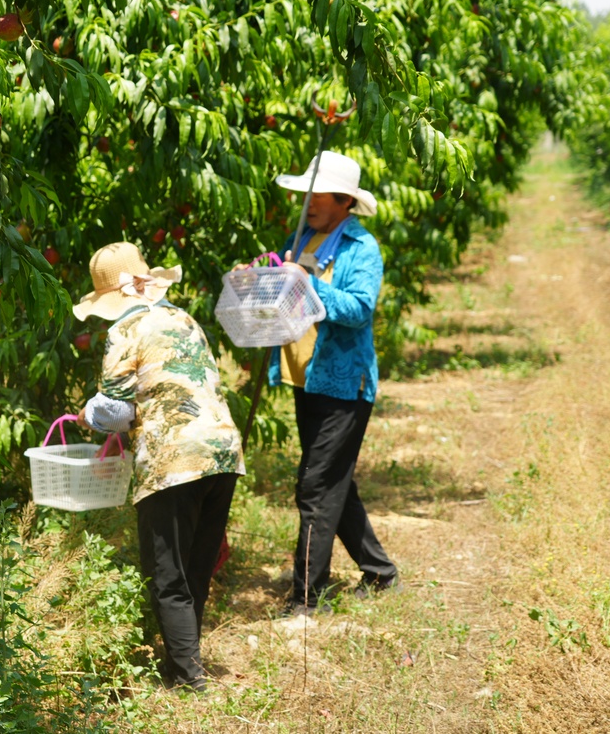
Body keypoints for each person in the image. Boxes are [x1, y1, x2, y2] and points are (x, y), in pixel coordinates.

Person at [73, 242, 244, 691]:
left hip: (172, 459)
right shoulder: (184, 319)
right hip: (223, 452)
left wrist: (86, 416)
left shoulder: (125, 330)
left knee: (167, 572)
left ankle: (188, 678)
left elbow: (116, 410)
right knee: (196, 566)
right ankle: (184, 661)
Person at [266, 150, 398, 615]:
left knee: (316, 486)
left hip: (344, 383)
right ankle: (379, 571)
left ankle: (307, 595)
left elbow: (360, 309)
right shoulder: (298, 238)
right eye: (306, 194)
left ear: (344, 201)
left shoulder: (361, 248)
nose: (308, 202)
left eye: (317, 194)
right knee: (332, 480)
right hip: (305, 378)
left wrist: (309, 283)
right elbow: (284, 299)